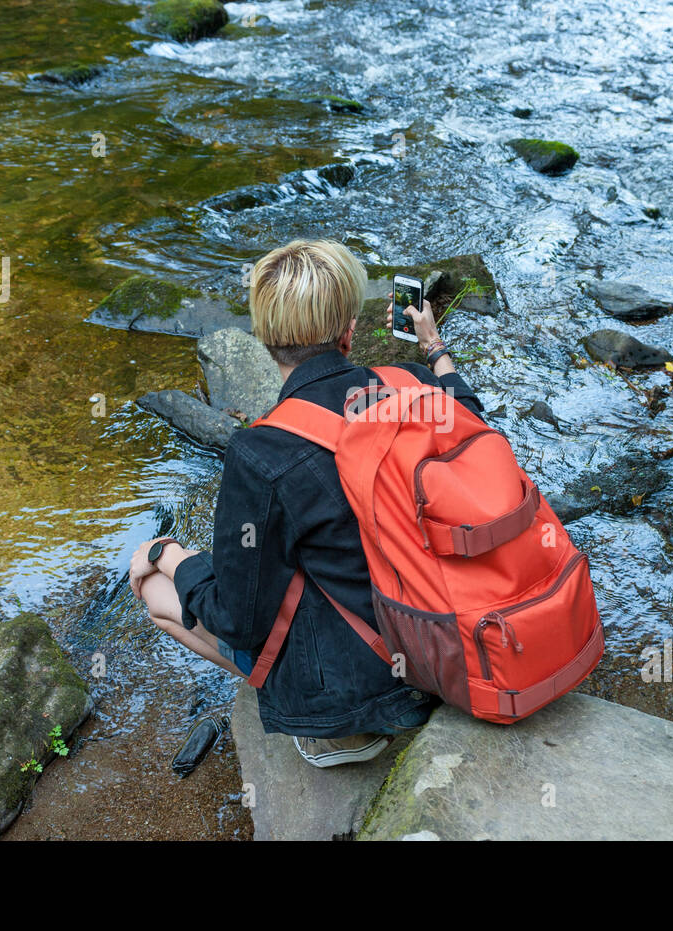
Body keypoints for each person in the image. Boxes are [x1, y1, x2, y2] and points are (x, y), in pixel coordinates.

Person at [130, 239, 485, 767]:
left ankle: (338, 735)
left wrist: (170, 556)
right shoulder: (412, 385)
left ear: (261, 338)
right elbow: (474, 416)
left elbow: (237, 618)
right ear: (347, 332)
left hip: (364, 689)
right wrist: (433, 347)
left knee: (159, 590)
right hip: (450, 646)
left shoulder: (261, 449)